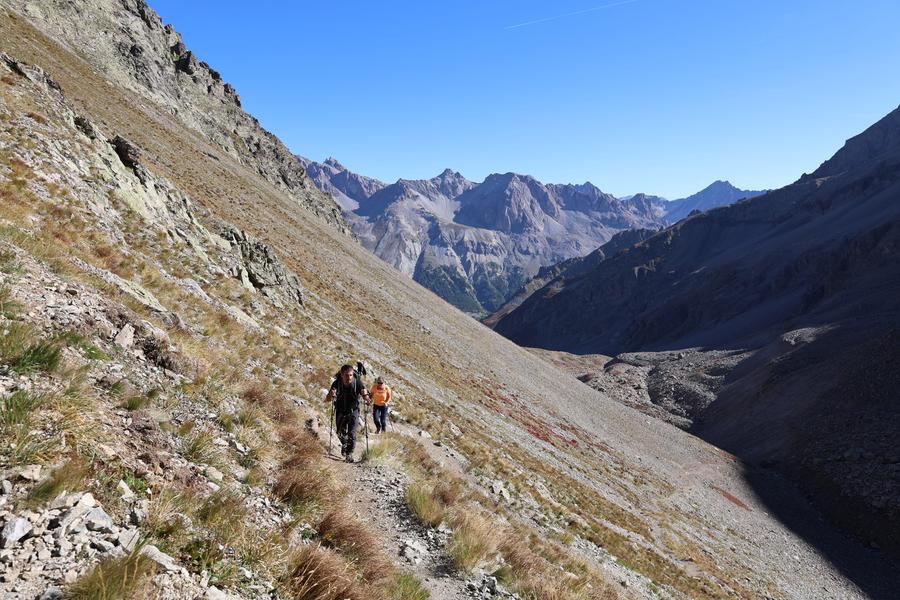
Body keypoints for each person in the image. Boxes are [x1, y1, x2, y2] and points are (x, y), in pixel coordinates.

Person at [325, 364, 371, 462]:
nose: (349, 377)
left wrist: (366, 397)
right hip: (340, 410)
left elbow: (367, 399)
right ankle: (344, 445)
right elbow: (328, 399)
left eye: (350, 375)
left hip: (353, 411)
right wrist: (330, 395)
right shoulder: (336, 383)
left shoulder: (357, 383)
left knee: (352, 434)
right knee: (340, 433)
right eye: (346, 375)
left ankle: (349, 454)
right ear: (341, 374)